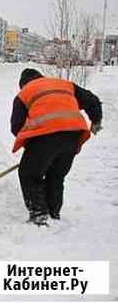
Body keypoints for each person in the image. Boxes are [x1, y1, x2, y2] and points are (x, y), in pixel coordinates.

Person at [11, 68, 102, 226]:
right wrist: (96, 121)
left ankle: (39, 214)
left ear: (23, 84)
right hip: (74, 134)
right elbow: (92, 100)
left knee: (29, 173)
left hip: (45, 135)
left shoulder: (24, 93)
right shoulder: (64, 85)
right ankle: (53, 213)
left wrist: (32, 148)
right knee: (56, 175)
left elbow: (16, 126)